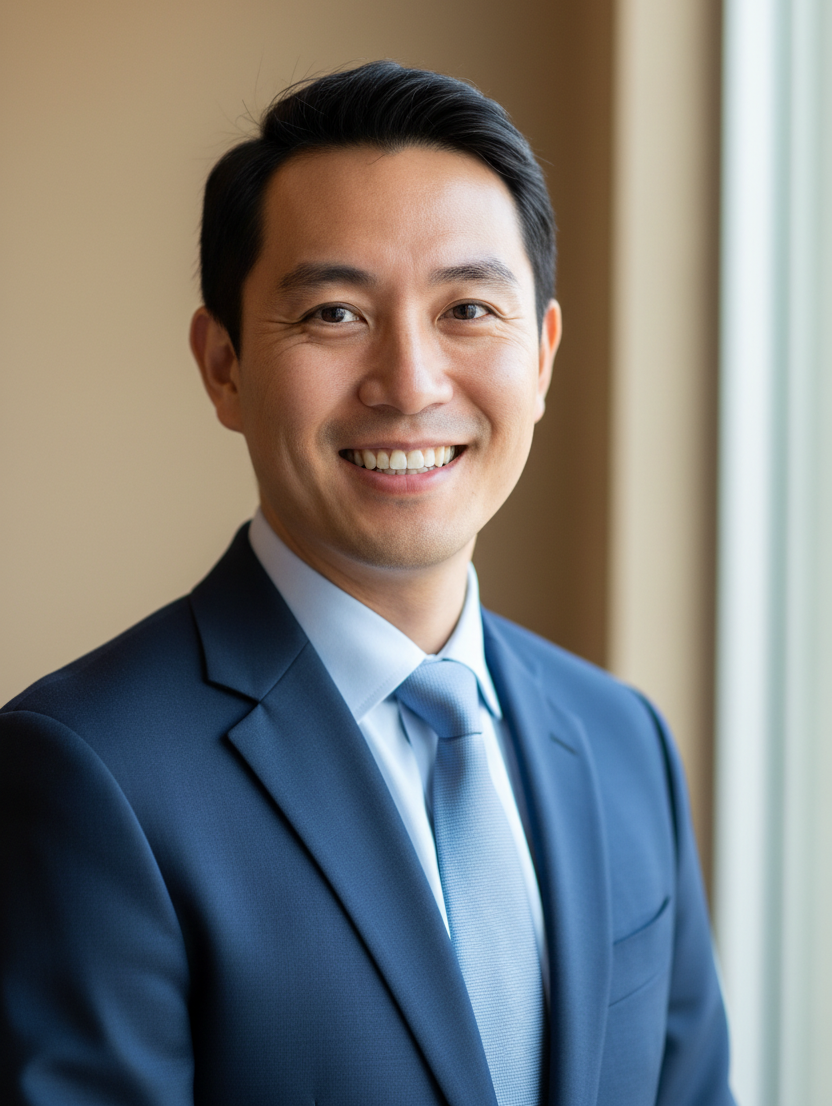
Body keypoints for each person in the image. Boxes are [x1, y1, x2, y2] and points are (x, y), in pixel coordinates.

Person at [0, 61, 733, 1106]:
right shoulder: (87, 773)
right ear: (223, 368)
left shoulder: (622, 741)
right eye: (336, 314)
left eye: (469, 309)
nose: (411, 383)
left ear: (543, 357)